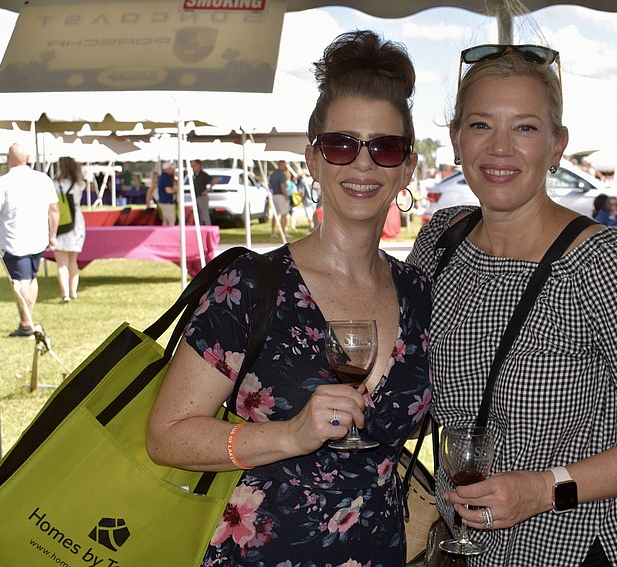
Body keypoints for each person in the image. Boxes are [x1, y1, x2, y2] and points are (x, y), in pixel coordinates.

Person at [406, 40, 617, 566]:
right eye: (481, 124)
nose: (500, 148)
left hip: (576, 545)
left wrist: (542, 489)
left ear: (557, 146)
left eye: (525, 128)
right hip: (468, 542)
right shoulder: (441, 242)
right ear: (456, 139)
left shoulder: (605, 268)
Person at [147, 30, 431, 566]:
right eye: (342, 144)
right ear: (313, 160)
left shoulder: (418, 293)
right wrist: (289, 435)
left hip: (380, 552)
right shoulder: (251, 286)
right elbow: (168, 437)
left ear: (407, 168)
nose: (364, 164)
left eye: (385, 147)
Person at [0, 144, 59, 337]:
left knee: (20, 282)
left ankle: (26, 324)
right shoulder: (43, 179)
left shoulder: (2, 182)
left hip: (14, 240)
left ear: (8, 159)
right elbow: (54, 210)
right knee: (31, 278)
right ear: (27, 158)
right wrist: (52, 235)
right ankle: (27, 321)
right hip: (38, 238)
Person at [52, 156, 87, 303]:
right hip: (76, 222)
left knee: (61, 263)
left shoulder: (54, 185)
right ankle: (73, 292)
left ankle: (65, 294)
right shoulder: (79, 184)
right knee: (73, 261)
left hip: (60, 222)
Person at [268, 160, 291, 237]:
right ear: (280, 165)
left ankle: (273, 232)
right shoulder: (281, 175)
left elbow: (270, 185)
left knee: (275, 215)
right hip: (281, 195)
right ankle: (284, 232)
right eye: (284, 165)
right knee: (284, 214)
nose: (285, 166)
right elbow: (282, 185)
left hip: (274, 195)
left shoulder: (273, 174)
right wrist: (286, 195)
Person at [191, 159, 213, 226]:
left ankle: (208, 228)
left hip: (202, 197)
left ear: (198, 165)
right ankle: (200, 229)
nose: (192, 167)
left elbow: (214, 180)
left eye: (194, 165)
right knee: (198, 216)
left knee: (205, 215)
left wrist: (207, 190)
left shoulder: (203, 174)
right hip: (196, 197)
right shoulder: (194, 175)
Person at [157, 162, 178, 226]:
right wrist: (176, 190)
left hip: (162, 201)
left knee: (165, 220)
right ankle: (171, 232)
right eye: (171, 168)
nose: (172, 170)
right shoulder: (167, 178)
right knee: (171, 219)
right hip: (167, 202)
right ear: (167, 169)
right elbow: (168, 190)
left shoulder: (161, 177)